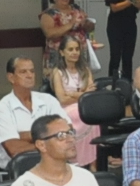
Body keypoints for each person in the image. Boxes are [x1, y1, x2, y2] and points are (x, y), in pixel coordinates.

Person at [0, 55, 66, 169]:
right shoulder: (2, 109)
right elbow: (14, 149)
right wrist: (50, 140)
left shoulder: (49, 100)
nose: (30, 75)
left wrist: (24, 135)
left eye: (32, 71)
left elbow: (66, 131)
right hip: (18, 169)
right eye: (23, 72)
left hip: (53, 165)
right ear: (11, 77)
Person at [45, 35, 105, 166]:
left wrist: (73, 94)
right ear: (62, 52)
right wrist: (83, 93)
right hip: (66, 110)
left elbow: (91, 94)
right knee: (80, 115)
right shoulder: (57, 72)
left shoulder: (85, 70)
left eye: (77, 49)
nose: (75, 52)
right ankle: (75, 161)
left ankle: (93, 165)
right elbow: (62, 99)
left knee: (92, 117)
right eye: (70, 49)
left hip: (85, 107)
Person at [39, 0, 97, 65]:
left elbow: (89, 28)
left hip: (79, 53)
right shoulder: (48, 14)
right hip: (59, 55)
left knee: (82, 73)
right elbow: (49, 33)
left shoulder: (76, 8)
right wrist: (71, 24)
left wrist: (87, 24)